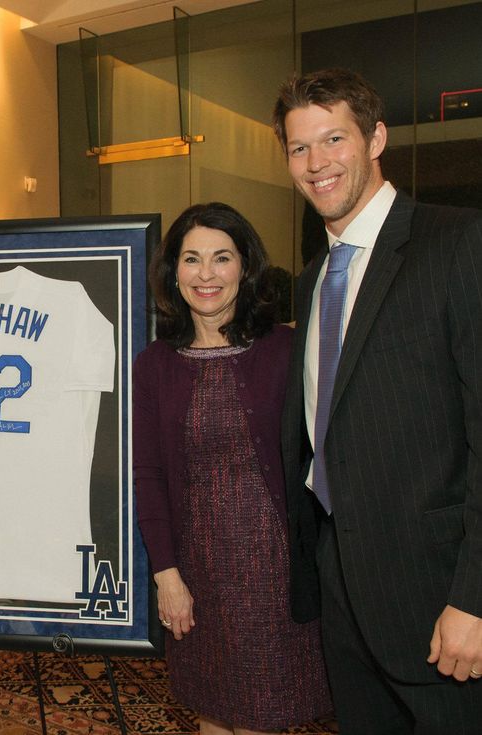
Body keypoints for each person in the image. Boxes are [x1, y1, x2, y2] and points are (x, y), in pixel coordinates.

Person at [273, 67, 482, 734]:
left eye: (333, 138)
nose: (316, 163)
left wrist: (474, 602)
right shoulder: (310, 284)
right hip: (343, 592)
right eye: (299, 148)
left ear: (376, 137)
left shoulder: (458, 243)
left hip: (439, 599)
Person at [132, 202, 330, 734]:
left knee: (260, 717)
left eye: (222, 258)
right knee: (211, 711)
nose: (206, 274)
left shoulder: (288, 349)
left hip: (274, 572)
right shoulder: (152, 365)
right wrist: (166, 574)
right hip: (194, 571)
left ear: (246, 267)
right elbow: (147, 477)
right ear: (173, 270)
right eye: (192, 259)